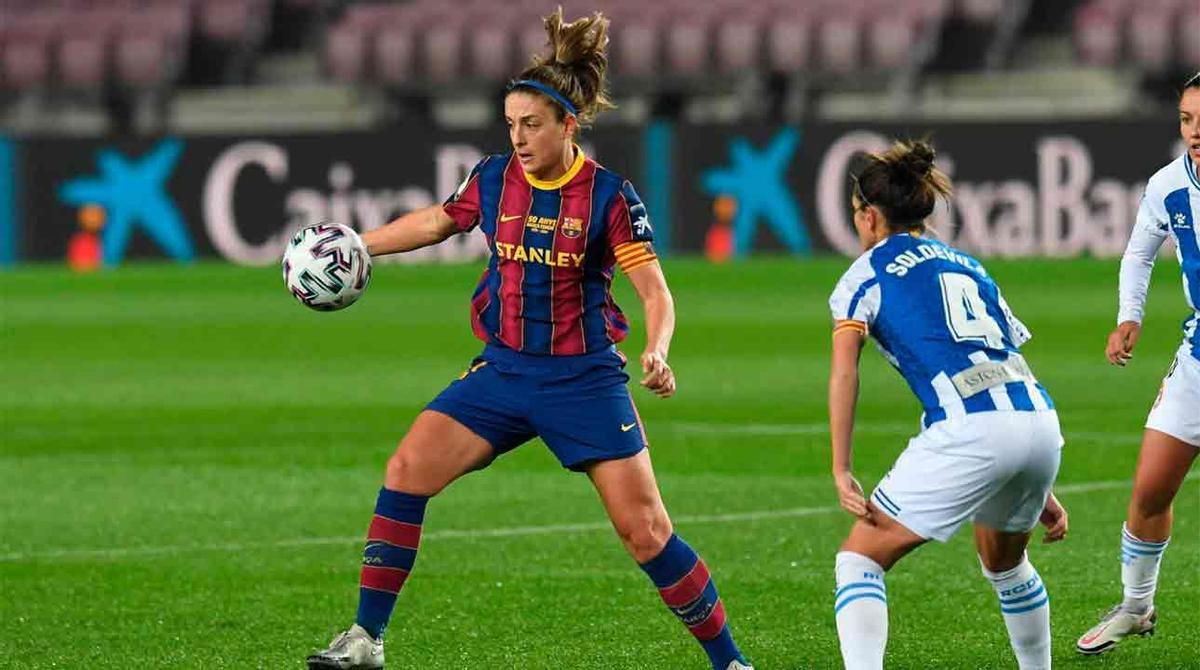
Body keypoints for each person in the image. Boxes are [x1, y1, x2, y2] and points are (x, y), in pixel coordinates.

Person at [306, 9, 752, 670]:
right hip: (504, 373)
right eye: (511, 124)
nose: (518, 137)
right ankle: (366, 639)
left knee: (646, 532)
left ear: (568, 125)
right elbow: (436, 220)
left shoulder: (608, 196)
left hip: (584, 380)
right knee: (405, 472)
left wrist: (658, 348)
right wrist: (356, 246)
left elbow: (655, 291)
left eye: (531, 125)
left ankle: (731, 662)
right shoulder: (493, 178)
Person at [826, 140, 1069, 670]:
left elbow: (846, 370)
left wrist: (842, 467)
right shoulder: (969, 265)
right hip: (1039, 421)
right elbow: (1002, 357)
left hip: (971, 430)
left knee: (858, 560)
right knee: (1005, 564)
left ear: (869, 217)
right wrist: (1040, 484)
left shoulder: (864, 275)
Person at [1076, 72, 1200, 656]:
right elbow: (1139, 253)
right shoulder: (1169, 184)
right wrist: (1130, 316)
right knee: (1149, 491)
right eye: (1186, 119)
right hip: (1197, 359)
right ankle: (1135, 607)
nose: (1195, 132)